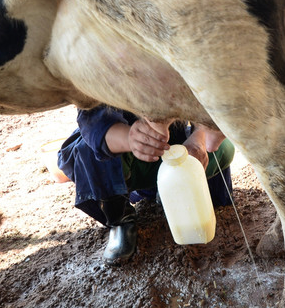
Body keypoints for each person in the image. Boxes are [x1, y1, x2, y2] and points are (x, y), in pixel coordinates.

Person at [57, 105, 235, 265]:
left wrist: (199, 138)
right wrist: (130, 138)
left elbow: (200, 97)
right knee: (87, 153)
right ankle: (120, 221)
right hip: (124, 152)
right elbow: (92, 119)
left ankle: (172, 193)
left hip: (174, 145)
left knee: (225, 147)